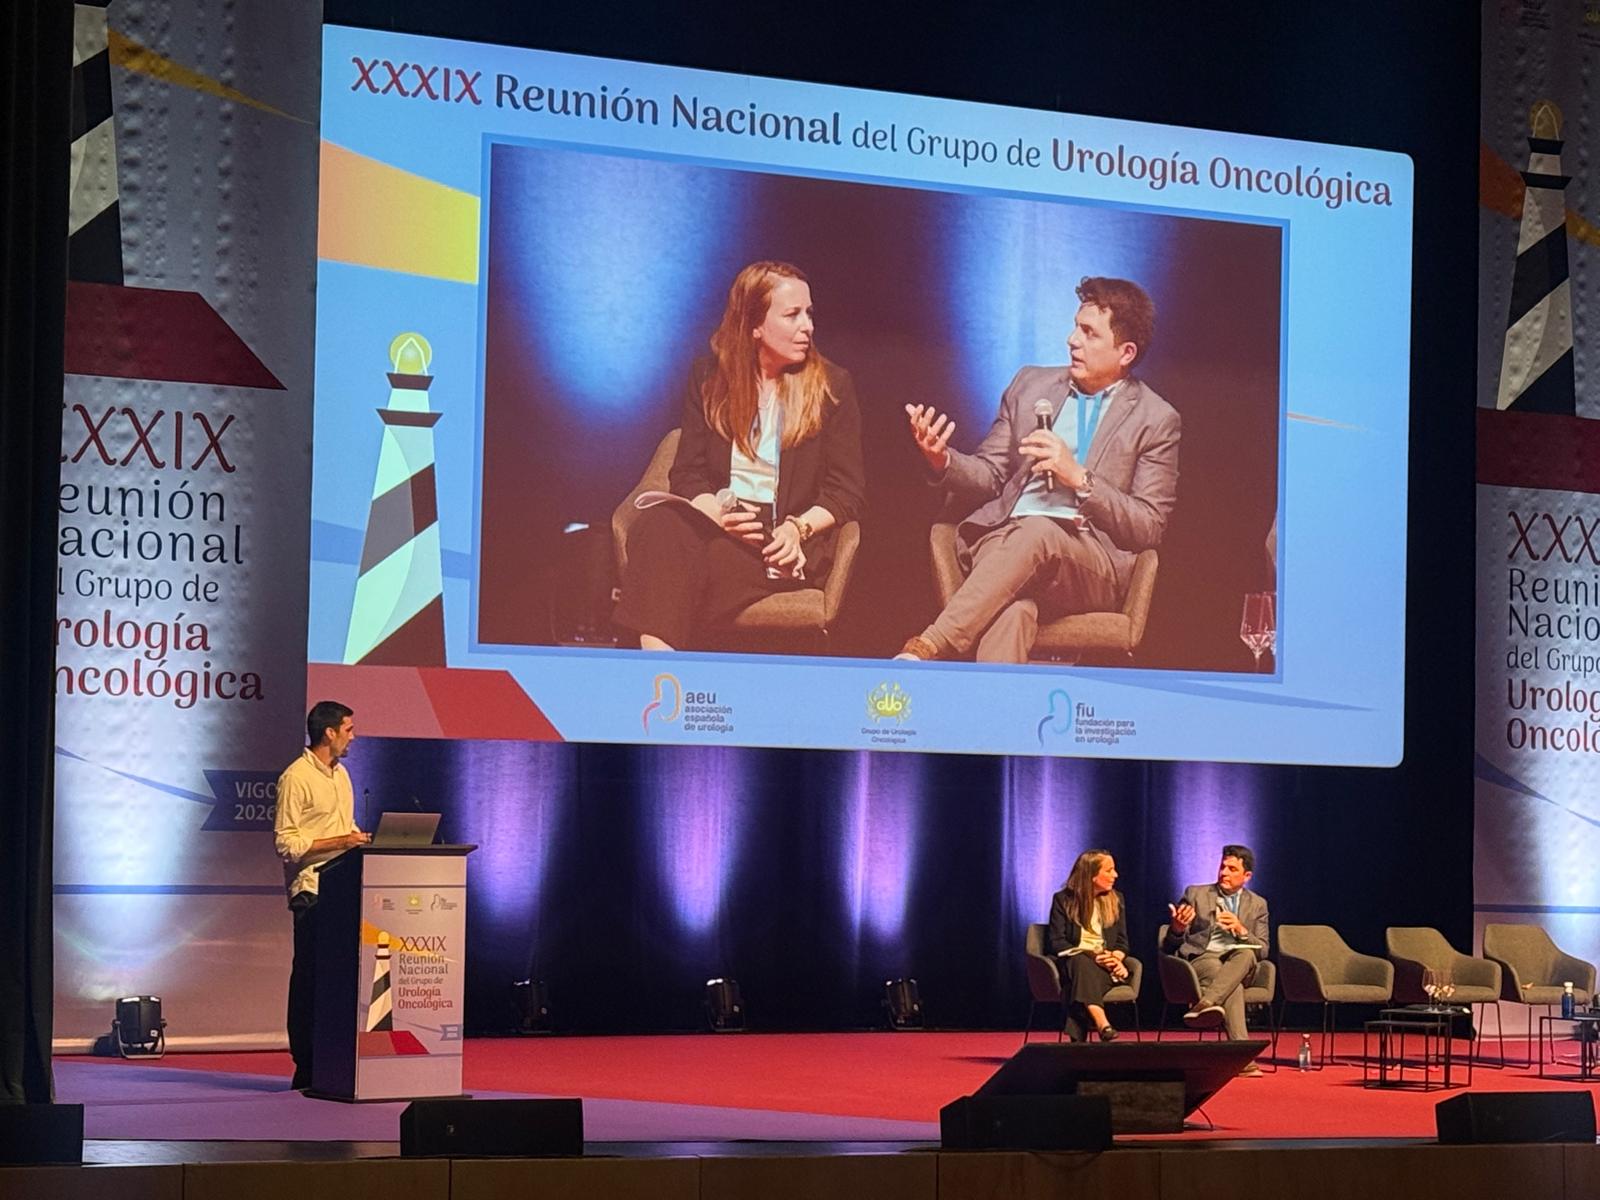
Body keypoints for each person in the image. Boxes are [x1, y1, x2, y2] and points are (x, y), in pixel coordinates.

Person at [898, 276, 1179, 663]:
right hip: (1005, 544)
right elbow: (990, 474)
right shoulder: (1032, 384)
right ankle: (996, 721)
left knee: (1040, 531)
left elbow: (1149, 525)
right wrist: (942, 458)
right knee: (1014, 612)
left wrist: (1077, 476)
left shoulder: (1156, 418)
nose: (1071, 340)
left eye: (1089, 333)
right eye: (1074, 327)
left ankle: (927, 647)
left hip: (1087, 561)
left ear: (1125, 352)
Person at [612, 261, 866, 651]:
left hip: (783, 540)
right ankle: (663, 674)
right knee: (660, 526)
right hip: (722, 526)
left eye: (809, 313)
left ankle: (658, 685)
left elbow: (846, 491)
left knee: (668, 572)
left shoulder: (832, 386)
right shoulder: (708, 378)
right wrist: (717, 512)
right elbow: (687, 473)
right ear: (754, 325)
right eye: (792, 314)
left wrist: (796, 530)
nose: (808, 327)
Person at [274, 700, 371, 1090]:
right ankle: (306, 1064)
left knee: (339, 981)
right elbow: (286, 843)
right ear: (329, 733)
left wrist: (361, 841)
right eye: (349, 729)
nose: (353, 736)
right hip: (311, 890)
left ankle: (335, 1063)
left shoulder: (341, 774)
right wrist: (341, 840)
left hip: (343, 889)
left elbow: (345, 826)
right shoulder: (296, 777)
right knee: (310, 980)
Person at [1162, 844, 1270, 1075]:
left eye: (1232, 869)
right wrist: (1178, 928)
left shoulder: (1258, 904)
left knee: (1247, 953)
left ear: (1246, 876)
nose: (1224, 873)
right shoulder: (1196, 894)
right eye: (1222, 867)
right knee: (1231, 983)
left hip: (1241, 962)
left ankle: (1205, 1004)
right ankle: (1242, 1057)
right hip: (1204, 957)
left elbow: (1263, 950)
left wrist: (1241, 930)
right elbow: (1172, 944)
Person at [1046, 849, 1132, 1042]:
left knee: (1076, 985)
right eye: (1109, 870)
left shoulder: (1116, 899)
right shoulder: (1063, 900)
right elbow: (1056, 942)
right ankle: (1103, 1023)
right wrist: (1091, 955)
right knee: (1080, 963)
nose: (1115, 875)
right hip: (1072, 963)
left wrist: (1116, 959)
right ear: (1092, 875)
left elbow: (1122, 942)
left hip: (1105, 968)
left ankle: (1079, 1045)